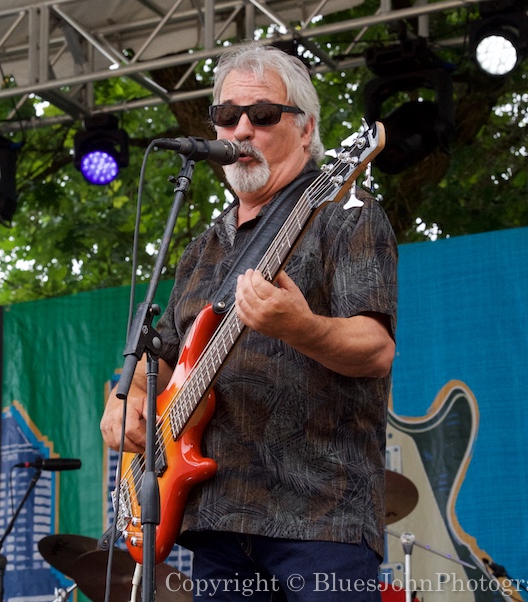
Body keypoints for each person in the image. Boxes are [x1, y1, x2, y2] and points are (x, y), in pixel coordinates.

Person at [100, 41, 398, 601]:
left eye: (262, 115)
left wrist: (299, 327)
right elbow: (156, 364)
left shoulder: (345, 215)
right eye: (227, 116)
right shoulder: (203, 248)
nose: (241, 130)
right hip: (216, 524)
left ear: (306, 130)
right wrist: (124, 403)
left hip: (319, 517)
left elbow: (376, 348)